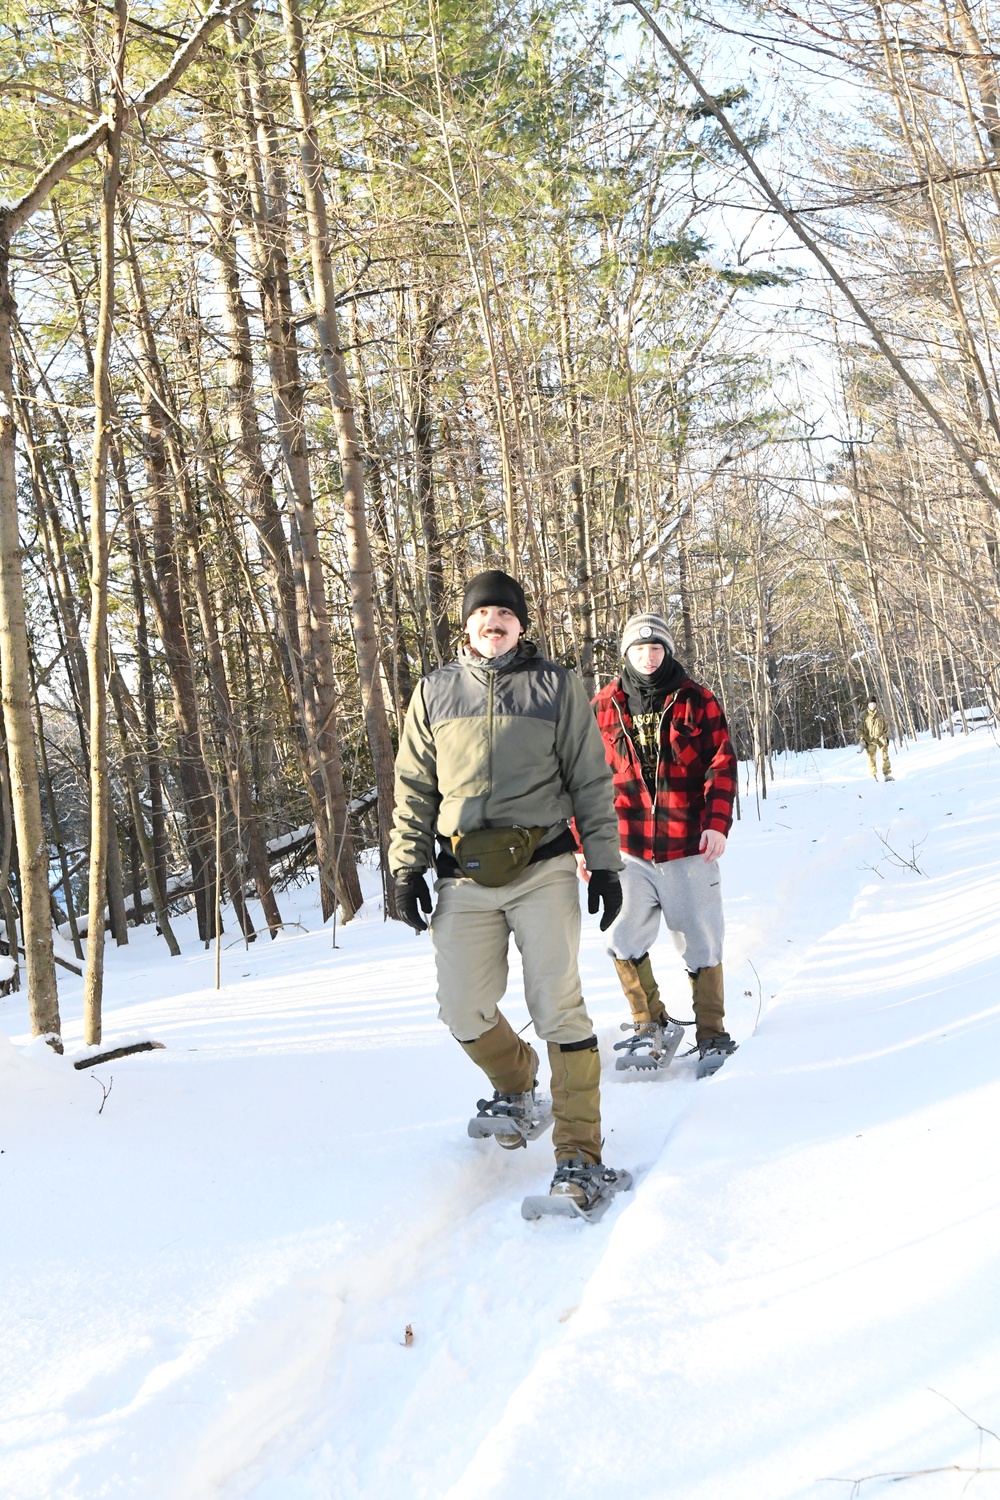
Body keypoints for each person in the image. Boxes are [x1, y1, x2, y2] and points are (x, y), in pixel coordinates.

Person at [389, 569, 627, 1210]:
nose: (493, 624)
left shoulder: (555, 687)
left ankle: (580, 1155)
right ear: (466, 625)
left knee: (557, 1004)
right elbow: (413, 788)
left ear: (522, 625)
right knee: (461, 1007)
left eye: (505, 616)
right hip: (464, 874)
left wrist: (603, 863)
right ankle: (517, 1081)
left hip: (543, 865)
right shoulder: (435, 691)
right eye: (482, 615)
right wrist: (406, 868)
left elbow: (590, 780)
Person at [591, 612, 738, 1070]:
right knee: (622, 936)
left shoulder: (697, 699)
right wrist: (583, 844)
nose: (648, 656)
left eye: (656, 648)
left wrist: (716, 823)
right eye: (639, 648)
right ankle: (648, 1021)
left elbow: (721, 762)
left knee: (701, 939)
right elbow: (583, 779)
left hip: (687, 844)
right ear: (626, 654)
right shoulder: (603, 705)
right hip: (626, 846)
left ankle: (712, 1033)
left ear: (667, 651)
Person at [859, 698, 893, 781]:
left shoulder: (880, 714)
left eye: (874, 703)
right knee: (871, 758)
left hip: (880, 738)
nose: (873, 705)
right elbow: (859, 729)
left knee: (885, 756)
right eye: (871, 704)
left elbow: (886, 726)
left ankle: (886, 774)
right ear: (868, 705)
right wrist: (862, 738)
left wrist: (886, 736)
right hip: (869, 740)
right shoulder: (863, 715)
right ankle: (873, 776)